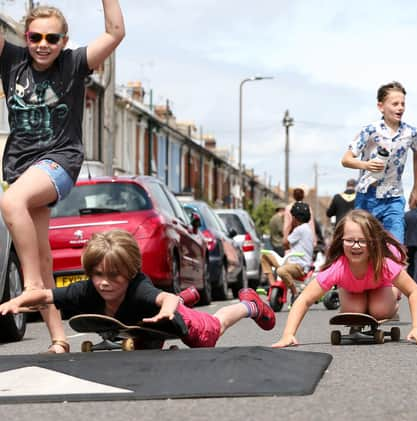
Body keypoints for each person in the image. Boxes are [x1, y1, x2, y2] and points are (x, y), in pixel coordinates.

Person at [0, 2, 125, 353]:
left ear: (63, 40)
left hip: (60, 161)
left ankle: (31, 285)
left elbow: (115, 33)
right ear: (25, 37)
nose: (43, 44)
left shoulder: (73, 63)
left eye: (51, 38)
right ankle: (58, 338)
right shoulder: (11, 60)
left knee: (11, 201)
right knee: (42, 255)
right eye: (35, 37)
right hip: (21, 167)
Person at [0, 229, 276, 348]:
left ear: (130, 274)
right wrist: (16, 302)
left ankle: (249, 304)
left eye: (113, 276)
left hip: (176, 317)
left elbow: (165, 298)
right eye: (97, 275)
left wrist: (169, 310)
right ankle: (186, 298)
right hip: (151, 314)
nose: (104, 282)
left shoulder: (139, 290)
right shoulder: (86, 290)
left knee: (212, 328)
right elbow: (47, 295)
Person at [272, 209, 417, 348]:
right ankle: (361, 300)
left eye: (363, 241)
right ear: (341, 241)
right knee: (354, 312)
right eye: (350, 240)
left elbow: (413, 291)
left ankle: (394, 295)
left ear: (374, 243)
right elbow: (305, 298)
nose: (356, 245)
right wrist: (288, 334)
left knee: (379, 310)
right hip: (352, 290)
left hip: (381, 286)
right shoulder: (337, 268)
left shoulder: (383, 263)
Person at [341, 81, 417, 244]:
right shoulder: (370, 130)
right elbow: (346, 159)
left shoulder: (411, 133)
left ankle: (393, 267)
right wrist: (366, 165)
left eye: (403, 104)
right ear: (381, 106)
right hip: (367, 196)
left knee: (395, 246)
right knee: (361, 244)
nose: (400, 108)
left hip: (394, 197)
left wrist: (416, 188)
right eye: (395, 104)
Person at [261, 201, 314, 303]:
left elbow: (285, 244)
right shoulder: (306, 228)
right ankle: (273, 286)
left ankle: (295, 292)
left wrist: (289, 226)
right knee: (265, 256)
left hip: (299, 266)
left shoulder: (300, 230)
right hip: (290, 262)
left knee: (281, 271)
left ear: (295, 217)